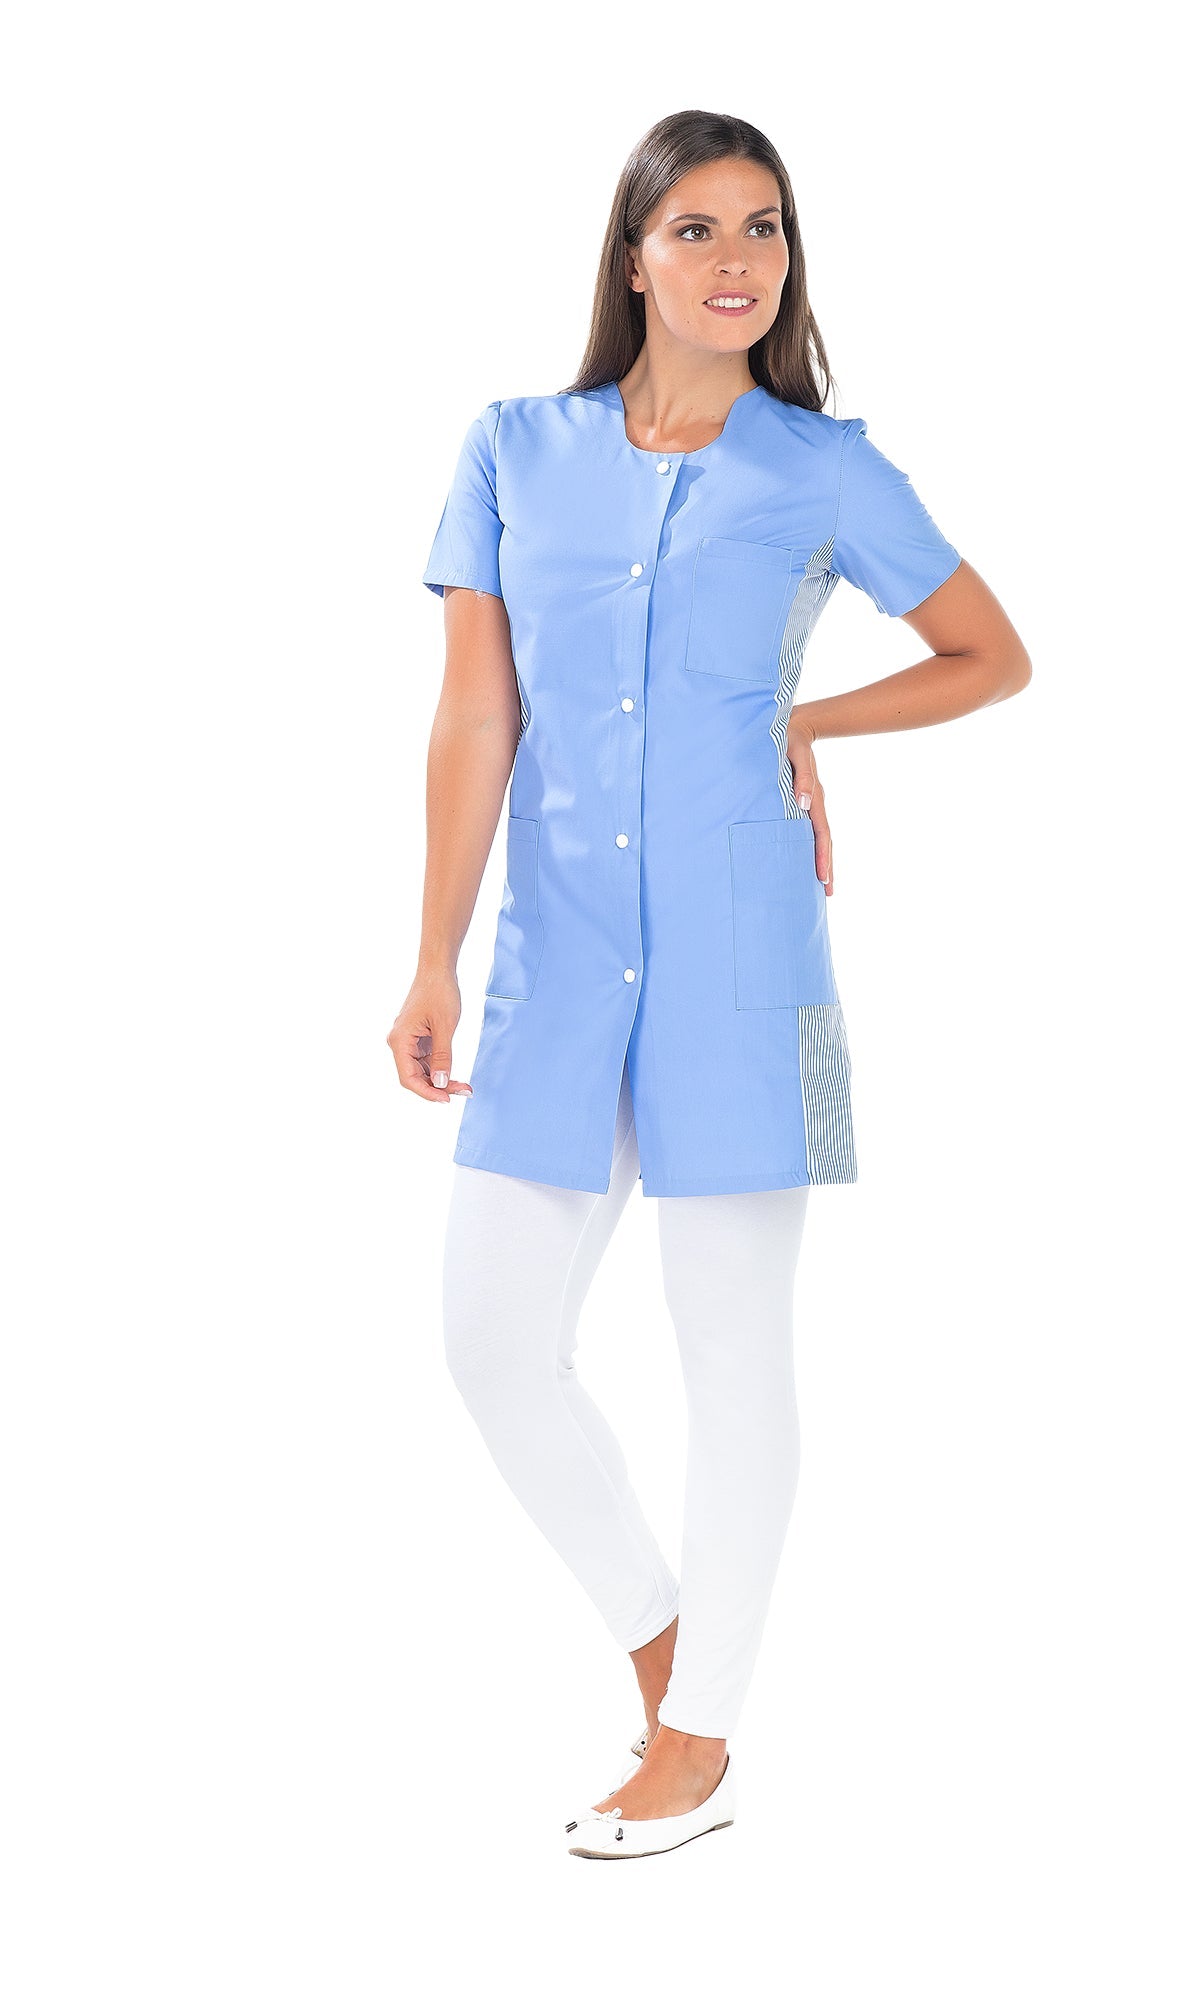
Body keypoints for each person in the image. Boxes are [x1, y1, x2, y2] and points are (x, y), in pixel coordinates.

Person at [389, 109, 1032, 1859]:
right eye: (696, 228)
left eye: (764, 227)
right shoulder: (512, 449)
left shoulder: (826, 470)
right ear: (634, 255)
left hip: (754, 965)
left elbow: (990, 655)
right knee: (491, 1340)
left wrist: (811, 717)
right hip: (551, 963)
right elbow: (475, 713)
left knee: (731, 1347)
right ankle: (675, 1657)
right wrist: (434, 951)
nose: (736, 260)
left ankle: (702, 1742)